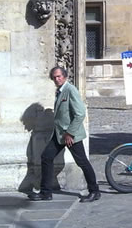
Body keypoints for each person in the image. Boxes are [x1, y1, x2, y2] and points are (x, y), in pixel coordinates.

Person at [28, 67, 100, 203]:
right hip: (60, 134)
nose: (57, 79)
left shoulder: (70, 90)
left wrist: (70, 133)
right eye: (54, 77)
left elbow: (80, 113)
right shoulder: (60, 91)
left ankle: (94, 191)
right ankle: (45, 193)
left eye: (59, 76)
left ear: (65, 76)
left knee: (82, 162)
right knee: (46, 157)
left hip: (71, 135)